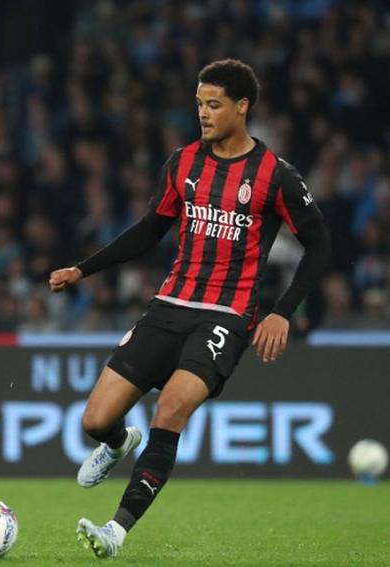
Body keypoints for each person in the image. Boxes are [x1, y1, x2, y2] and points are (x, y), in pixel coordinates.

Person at [49, 59, 330, 558]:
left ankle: (115, 530)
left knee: (172, 408)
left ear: (242, 108)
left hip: (226, 315)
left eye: (214, 104)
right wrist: (83, 269)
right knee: (94, 421)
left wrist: (283, 311)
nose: (202, 113)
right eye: (199, 103)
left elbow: (321, 243)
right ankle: (117, 444)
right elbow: (149, 230)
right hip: (169, 305)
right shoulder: (182, 163)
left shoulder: (275, 176)